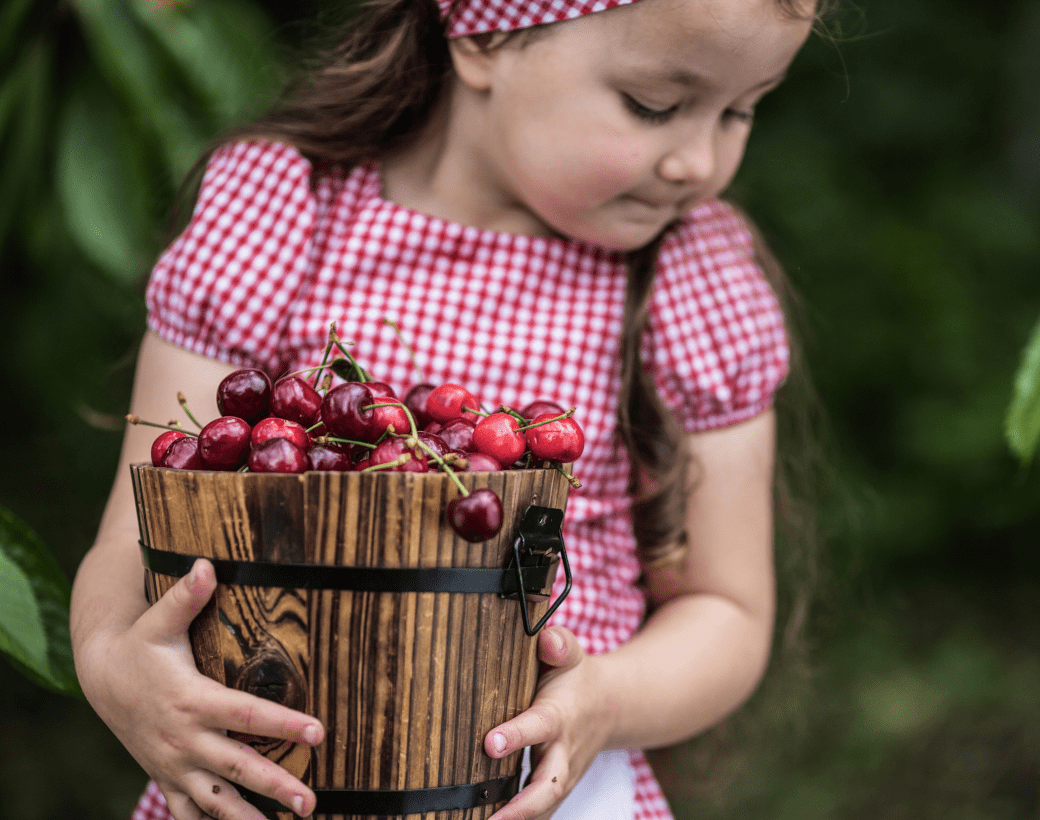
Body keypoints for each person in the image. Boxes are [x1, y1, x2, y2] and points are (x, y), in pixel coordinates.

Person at [69, 0, 826, 818]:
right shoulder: (285, 217)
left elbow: (726, 610)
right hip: (266, 783)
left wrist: (607, 698)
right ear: (488, 38)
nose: (699, 162)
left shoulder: (692, 278)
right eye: (653, 105)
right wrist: (115, 664)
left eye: (741, 110)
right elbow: (138, 538)